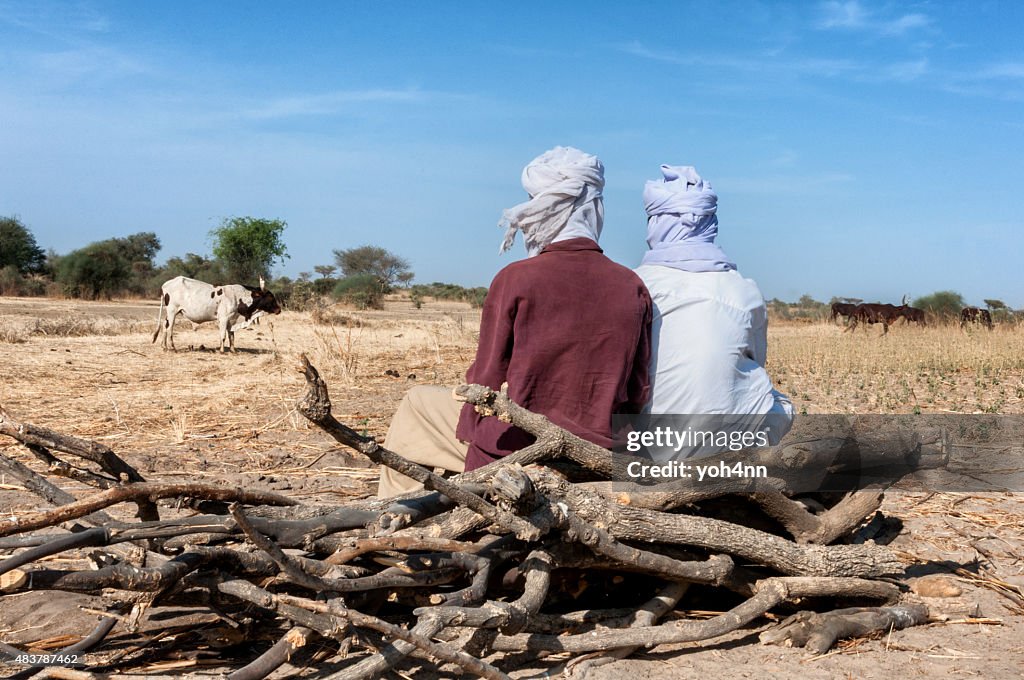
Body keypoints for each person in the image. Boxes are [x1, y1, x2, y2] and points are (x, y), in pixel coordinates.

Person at [378, 146, 653, 497]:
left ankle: (396, 512)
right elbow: (637, 393)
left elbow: (485, 380)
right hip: (600, 454)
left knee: (418, 402)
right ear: (596, 208)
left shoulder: (516, 278)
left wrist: (476, 452)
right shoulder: (631, 285)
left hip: (517, 450)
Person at [634, 164, 792, 458]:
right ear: (711, 224)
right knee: (782, 404)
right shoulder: (744, 289)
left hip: (651, 450)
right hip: (731, 446)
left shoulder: (637, 284)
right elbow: (757, 358)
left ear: (655, 223)